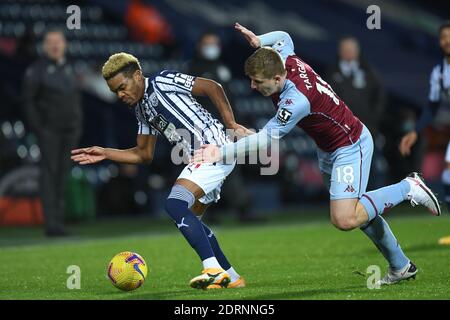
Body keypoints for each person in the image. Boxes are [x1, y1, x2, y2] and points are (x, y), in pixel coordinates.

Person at [193, 23, 441, 285]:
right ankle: (401, 266)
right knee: (358, 212)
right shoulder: (285, 57)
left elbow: (265, 139)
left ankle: (407, 187)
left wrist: (218, 152)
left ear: (278, 79)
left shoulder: (296, 100)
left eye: (258, 82)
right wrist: (259, 40)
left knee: (344, 218)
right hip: (328, 149)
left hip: (350, 145)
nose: (253, 87)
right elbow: (285, 36)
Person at [71, 52, 251, 289]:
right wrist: (105, 152)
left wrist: (231, 124)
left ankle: (213, 270)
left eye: (122, 87)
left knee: (175, 204)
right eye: (115, 91)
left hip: (214, 147)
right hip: (200, 158)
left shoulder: (161, 82)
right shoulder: (141, 110)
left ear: (137, 75)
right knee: (192, 220)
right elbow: (142, 154)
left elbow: (212, 86)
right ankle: (232, 276)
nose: (120, 94)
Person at [188, 32, 255, 222]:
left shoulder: (221, 68)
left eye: (215, 43)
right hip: (204, 129)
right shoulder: (193, 70)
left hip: (225, 128)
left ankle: (234, 208)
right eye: (208, 43)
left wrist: (238, 123)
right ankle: (222, 209)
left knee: (229, 167)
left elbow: (230, 101)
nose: (212, 48)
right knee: (209, 169)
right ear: (199, 46)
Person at [22, 29, 82, 237]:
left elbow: (76, 100)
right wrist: (40, 129)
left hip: (69, 131)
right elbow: (28, 103)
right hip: (49, 132)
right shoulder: (36, 71)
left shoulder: (70, 68)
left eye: (58, 42)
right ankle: (52, 223)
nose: (55, 46)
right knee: (49, 174)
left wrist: (77, 125)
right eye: (50, 42)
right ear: (44, 46)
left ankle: (60, 220)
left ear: (64, 45)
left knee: (62, 174)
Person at [399, 21, 450, 245]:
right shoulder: (439, 72)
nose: (446, 41)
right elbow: (431, 107)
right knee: (448, 176)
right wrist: (416, 131)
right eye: (443, 37)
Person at [325, 36, 386, 189]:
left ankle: (372, 206)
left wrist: (373, 119)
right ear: (340, 52)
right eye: (345, 50)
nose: (349, 53)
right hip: (340, 132)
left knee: (370, 168)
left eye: (351, 50)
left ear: (358, 52)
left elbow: (380, 96)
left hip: (367, 129)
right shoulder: (331, 73)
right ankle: (345, 204)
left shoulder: (368, 72)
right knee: (343, 169)